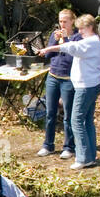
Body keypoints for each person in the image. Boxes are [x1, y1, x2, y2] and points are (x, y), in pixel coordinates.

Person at [40, 13, 100, 170]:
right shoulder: (91, 41)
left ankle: (83, 158)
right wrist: (54, 42)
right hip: (88, 85)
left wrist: (50, 47)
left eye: (82, 29)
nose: (80, 32)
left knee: (76, 121)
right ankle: (90, 156)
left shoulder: (91, 42)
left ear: (89, 27)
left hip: (86, 87)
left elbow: (71, 47)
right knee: (87, 120)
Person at [38, 9, 78, 159]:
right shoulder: (55, 35)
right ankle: (48, 145)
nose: (62, 25)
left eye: (65, 22)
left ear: (72, 21)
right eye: (60, 21)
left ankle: (69, 146)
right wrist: (54, 41)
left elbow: (74, 57)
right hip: (53, 76)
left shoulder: (77, 37)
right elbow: (47, 55)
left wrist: (66, 40)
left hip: (68, 79)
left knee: (68, 115)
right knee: (50, 112)